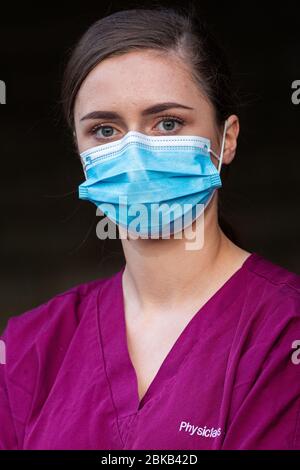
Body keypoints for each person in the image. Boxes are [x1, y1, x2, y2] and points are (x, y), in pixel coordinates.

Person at [1, 6, 300, 450]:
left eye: (167, 123)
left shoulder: (284, 333)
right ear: (79, 149)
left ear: (227, 139)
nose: (135, 153)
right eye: (105, 130)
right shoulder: (30, 345)